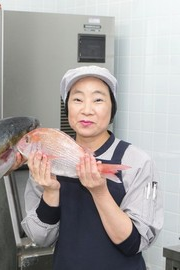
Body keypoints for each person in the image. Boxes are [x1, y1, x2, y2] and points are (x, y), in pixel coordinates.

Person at [21, 65, 163, 270]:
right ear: (67, 106)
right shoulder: (48, 157)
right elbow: (40, 238)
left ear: (112, 108)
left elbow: (133, 244)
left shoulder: (137, 162)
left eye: (98, 100)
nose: (86, 110)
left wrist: (100, 191)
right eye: (77, 99)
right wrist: (51, 192)